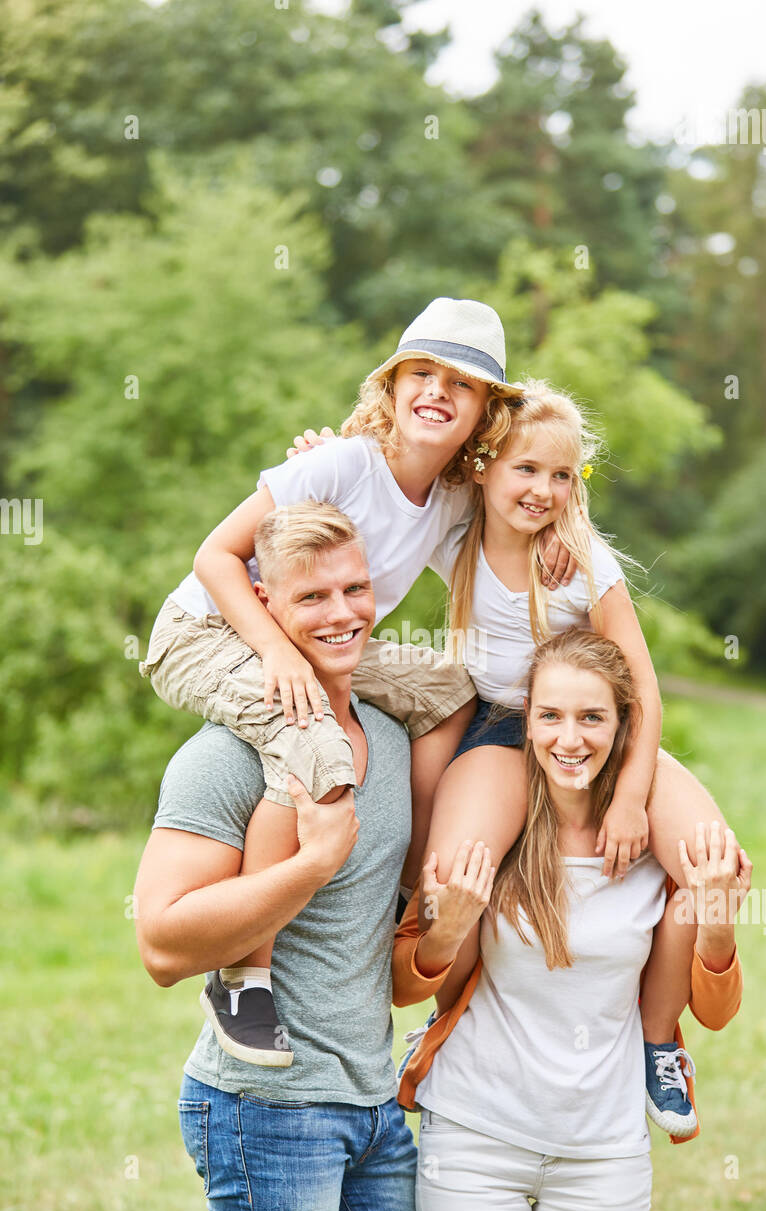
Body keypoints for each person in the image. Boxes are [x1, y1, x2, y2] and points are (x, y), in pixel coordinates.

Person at [138, 297, 574, 1065]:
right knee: (304, 730)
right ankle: (245, 975)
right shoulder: (338, 464)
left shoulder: (449, 501)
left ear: (483, 417)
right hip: (209, 630)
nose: (437, 391)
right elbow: (214, 556)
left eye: (461, 385)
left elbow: (524, 501)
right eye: (421, 373)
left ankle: (407, 895)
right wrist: (273, 650)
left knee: (447, 691)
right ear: (393, 386)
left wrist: (558, 541)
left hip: (321, 637)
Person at [134, 501, 470, 1211]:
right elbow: (162, 946)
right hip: (271, 1114)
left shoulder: (391, 735)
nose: (341, 612)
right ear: (265, 608)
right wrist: (310, 865)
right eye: (312, 598)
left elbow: (385, 968)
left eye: (355, 589)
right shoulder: (222, 760)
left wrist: (441, 930)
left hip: (372, 1106)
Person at [394, 381, 746, 1135]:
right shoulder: (454, 529)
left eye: (563, 476)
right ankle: (446, 1014)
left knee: (711, 860)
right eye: (527, 470)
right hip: (505, 729)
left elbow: (642, 689)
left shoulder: (582, 560)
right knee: (451, 870)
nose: (545, 490)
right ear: (483, 466)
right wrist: (328, 456)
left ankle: (658, 1040)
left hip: (600, 733)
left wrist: (628, 798)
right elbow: (386, 490)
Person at [393, 629, 749, 1211]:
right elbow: (407, 984)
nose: (570, 738)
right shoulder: (493, 826)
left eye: (592, 718)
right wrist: (448, 933)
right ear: (526, 720)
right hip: (474, 1137)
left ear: (623, 726)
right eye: (551, 716)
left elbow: (720, 1011)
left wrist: (718, 924)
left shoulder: (654, 847)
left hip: (603, 1149)